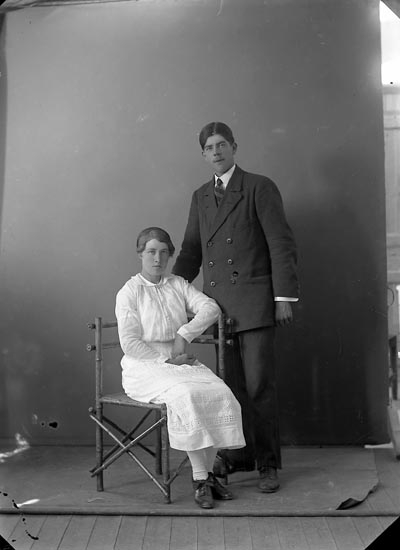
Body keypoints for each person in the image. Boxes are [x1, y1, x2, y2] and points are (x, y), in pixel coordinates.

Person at [172, 122, 299, 493]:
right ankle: (239, 457)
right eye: (209, 147)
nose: (216, 152)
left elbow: (281, 244)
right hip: (219, 309)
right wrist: (170, 293)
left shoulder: (259, 186)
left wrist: (283, 298)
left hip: (257, 304)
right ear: (203, 154)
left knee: (260, 387)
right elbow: (191, 251)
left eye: (222, 144)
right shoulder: (200, 196)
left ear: (234, 147)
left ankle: (267, 464)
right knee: (230, 389)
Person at [115, 227, 245, 509]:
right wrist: (165, 362)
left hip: (179, 359)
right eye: (151, 252)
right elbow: (130, 343)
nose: (158, 259)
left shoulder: (177, 284)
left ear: (170, 255)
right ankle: (201, 479)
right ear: (140, 254)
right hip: (144, 367)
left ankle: (208, 478)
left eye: (164, 253)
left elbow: (211, 308)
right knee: (187, 394)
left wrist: (183, 334)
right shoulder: (130, 291)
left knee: (219, 391)